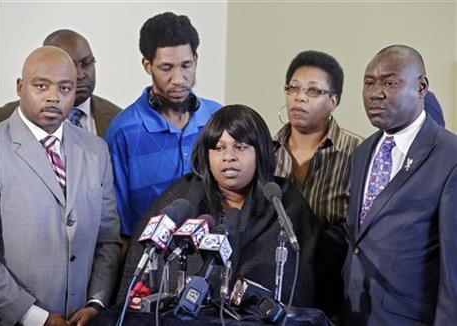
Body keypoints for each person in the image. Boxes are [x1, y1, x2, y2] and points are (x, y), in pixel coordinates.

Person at [117, 105, 323, 309]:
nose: (228, 156)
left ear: (260, 152)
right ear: (206, 154)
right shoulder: (181, 197)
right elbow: (137, 280)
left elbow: (307, 286)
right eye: (218, 147)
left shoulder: (284, 202)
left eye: (240, 147)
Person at [0, 46, 121, 325]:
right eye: (42, 86)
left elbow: (108, 240)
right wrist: (35, 316)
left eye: (65, 88)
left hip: (84, 317)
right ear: (20, 86)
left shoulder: (96, 150)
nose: (54, 97)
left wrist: (96, 302)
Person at [342, 45, 457, 325]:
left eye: (390, 82)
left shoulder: (449, 156)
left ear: (421, 87)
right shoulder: (362, 152)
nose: (375, 93)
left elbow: (453, 268)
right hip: (354, 312)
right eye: (369, 82)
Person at [106, 12, 221, 239]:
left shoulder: (217, 118)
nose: (179, 79)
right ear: (147, 65)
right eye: (166, 68)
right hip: (147, 261)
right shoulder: (122, 132)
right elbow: (117, 225)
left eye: (186, 65)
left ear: (196, 59)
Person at [274, 50, 363, 228]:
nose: (300, 97)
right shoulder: (267, 149)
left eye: (313, 90)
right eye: (293, 88)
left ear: (333, 101)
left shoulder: (358, 151)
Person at [0, 29, 121, 137]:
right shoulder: (2, 120)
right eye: (69, 66)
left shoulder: (119, 118)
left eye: (86, 63)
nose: (80, 75)